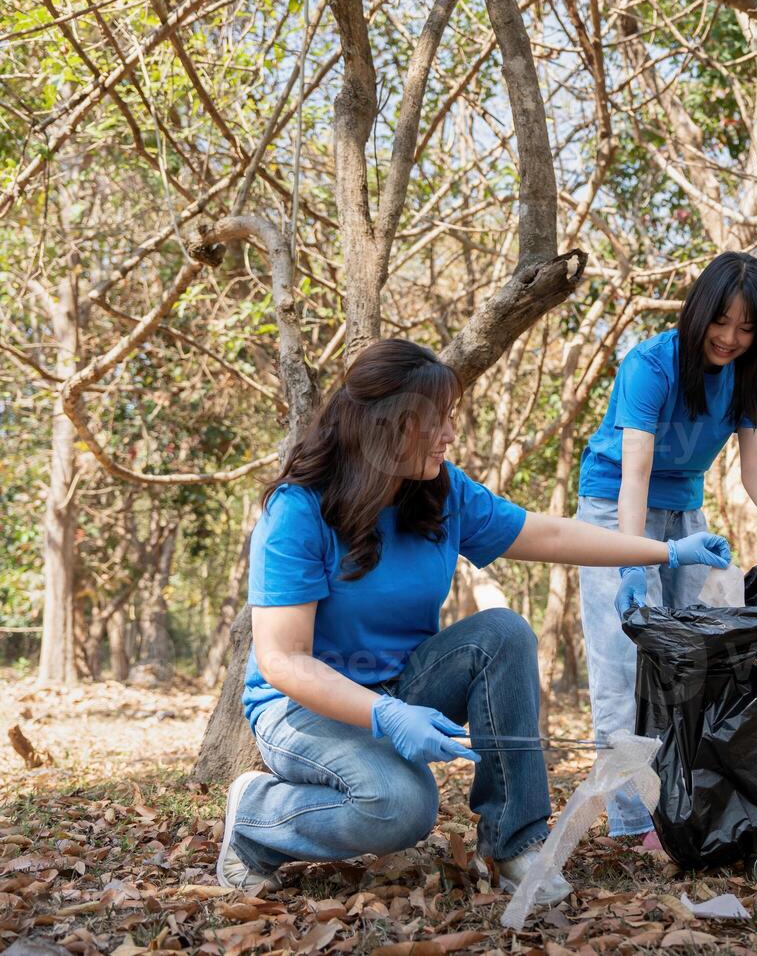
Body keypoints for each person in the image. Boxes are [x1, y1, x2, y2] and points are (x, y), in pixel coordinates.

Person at [216, 339, 731, 904]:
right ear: (385, 424)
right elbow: (284, 659)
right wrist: (384, 714)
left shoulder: (439, 490)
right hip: (302, 707)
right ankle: (255, 817)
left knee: (502, 632)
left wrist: (664, 552)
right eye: (434, 422)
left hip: (401, 682)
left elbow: (547, 533)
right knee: (401, 807)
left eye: (449, 420)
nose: (449, 435)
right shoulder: (298, 509)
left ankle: (515, 844)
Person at [576, 251, 757, 844]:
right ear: (699, 312)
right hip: (615, 508)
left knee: (695, 661)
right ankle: (634, 824)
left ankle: (691, 806)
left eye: (747, 327)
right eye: (722, 322)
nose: (731, 339)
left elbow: (755, 468)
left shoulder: (747, 375)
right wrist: (631, 557)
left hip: (687, 511)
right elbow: (635, 472)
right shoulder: (650, 364)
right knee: (624, 659)